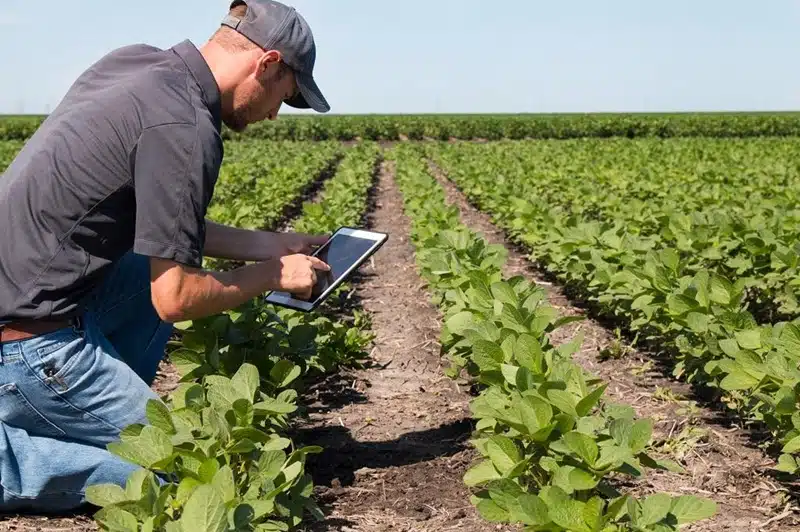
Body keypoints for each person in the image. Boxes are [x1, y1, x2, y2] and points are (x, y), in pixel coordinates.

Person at [0, 0, 332, 513]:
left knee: (138, 265)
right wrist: (271, 274)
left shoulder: (135, 64)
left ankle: (84, 416)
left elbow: (157, 229)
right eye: (281, 99)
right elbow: (175, 298)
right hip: (30, 347)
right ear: (266, 63)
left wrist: (269, 243)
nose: (271, 114)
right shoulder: (187, 129)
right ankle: (16, 457)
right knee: (192, 473)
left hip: (24, 305)